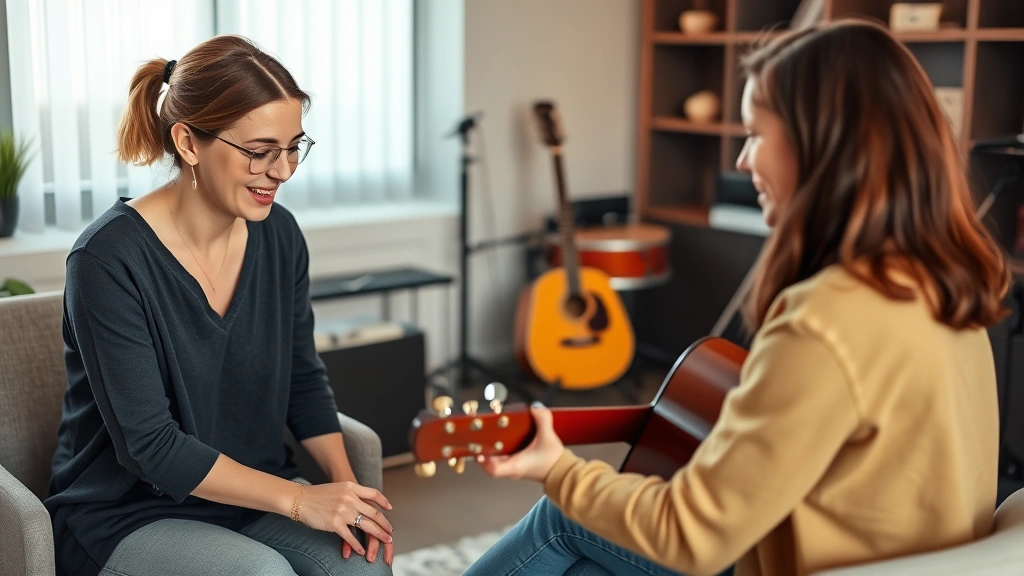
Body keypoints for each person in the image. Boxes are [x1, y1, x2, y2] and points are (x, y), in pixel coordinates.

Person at [465, 19, 1011, 576]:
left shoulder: (827, 319)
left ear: (820, 144)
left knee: (561, 516)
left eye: (754, 134)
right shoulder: (945, 286)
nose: (743, 161)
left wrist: (558, 470)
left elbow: (691, 535)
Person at [45, 35, 394, 576]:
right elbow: (151, 448)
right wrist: (301, 501)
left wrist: (349, 494)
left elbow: (302, 380)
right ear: (188, 142)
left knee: (361, 566)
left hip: (252, 493)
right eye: (259, 151)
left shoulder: (280, 235)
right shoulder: (106, 259)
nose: (281, 171)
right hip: (127, 514)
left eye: (293, 147)